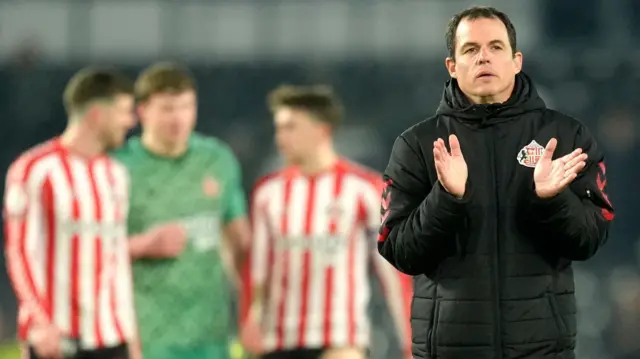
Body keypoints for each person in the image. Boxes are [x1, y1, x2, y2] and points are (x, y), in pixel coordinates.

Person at [377, 6, 615, 359]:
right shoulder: (417, 144)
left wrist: (552, 200)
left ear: (516, 60)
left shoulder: (565, 136)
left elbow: (590, 240)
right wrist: (447, 198)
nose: (484, 57)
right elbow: (398, 251)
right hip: (449, 350)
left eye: (496, 47)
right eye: (470, 49)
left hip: (542, 349)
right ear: (452, 66)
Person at [240, 85, 412, 359]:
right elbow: (258, 270)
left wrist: (411, 342)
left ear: (321, 130)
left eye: (290, 127)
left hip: (341, 338)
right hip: (279, 340)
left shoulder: (364, 189)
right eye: (279, 128)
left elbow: (392, 272)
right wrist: (250, 319)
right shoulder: (267, 194)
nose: (280, 137)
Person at [111, 62, 251, 359]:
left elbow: (239, 243)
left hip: (210, 340)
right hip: (146, 340)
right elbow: (90, 253)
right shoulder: (118, 168)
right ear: (142, 112)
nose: (178, 118)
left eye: (186, 107)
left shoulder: (217, 160)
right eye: (167, 109)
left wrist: (252, 311)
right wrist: (143, 245)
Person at [3, 68, 138, 359]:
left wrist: (131, 334)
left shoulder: (116, 175)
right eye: (124, 111)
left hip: (111, 338)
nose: (130, 122)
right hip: (57, 340)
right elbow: (20, 252)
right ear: (96, 115)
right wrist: (40, 323)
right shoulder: (34, 170)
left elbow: (117, 260)